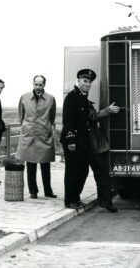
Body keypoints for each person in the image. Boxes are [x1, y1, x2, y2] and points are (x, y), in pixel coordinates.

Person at [15, 75, 57, 199]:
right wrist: (27, 128)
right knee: (30, 164)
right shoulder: (24, 97)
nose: (38, 87)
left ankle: (48, 191)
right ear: (33, 84)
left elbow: (52, 116)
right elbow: (21, 116)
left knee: (45, 164)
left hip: (44, 134)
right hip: (29, 135)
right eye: (36, 84)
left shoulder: (50, 99)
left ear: (44, 85)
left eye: (40, 84)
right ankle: (33, 191)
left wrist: (45, 127)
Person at [60, 69, 95, 209]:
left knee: (83, 170)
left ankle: (76, 197)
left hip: (83, 140)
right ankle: (69, 200)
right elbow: (68, 121)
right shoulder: (72, 97)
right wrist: (71, 141)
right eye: (85, 81)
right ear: (78, 81)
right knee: (72, 171)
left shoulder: (83, 97)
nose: (87, 84)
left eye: (89, 82)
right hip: (73, 140)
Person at [85, 101, 120, 212]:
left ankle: (103, 201)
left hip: (92, 144)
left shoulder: (81, 102)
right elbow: (93, 117)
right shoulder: (84, 103)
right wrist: (108, 110)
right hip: (95, 145)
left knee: (100, 175)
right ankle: (106, 202)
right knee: (103, 175)